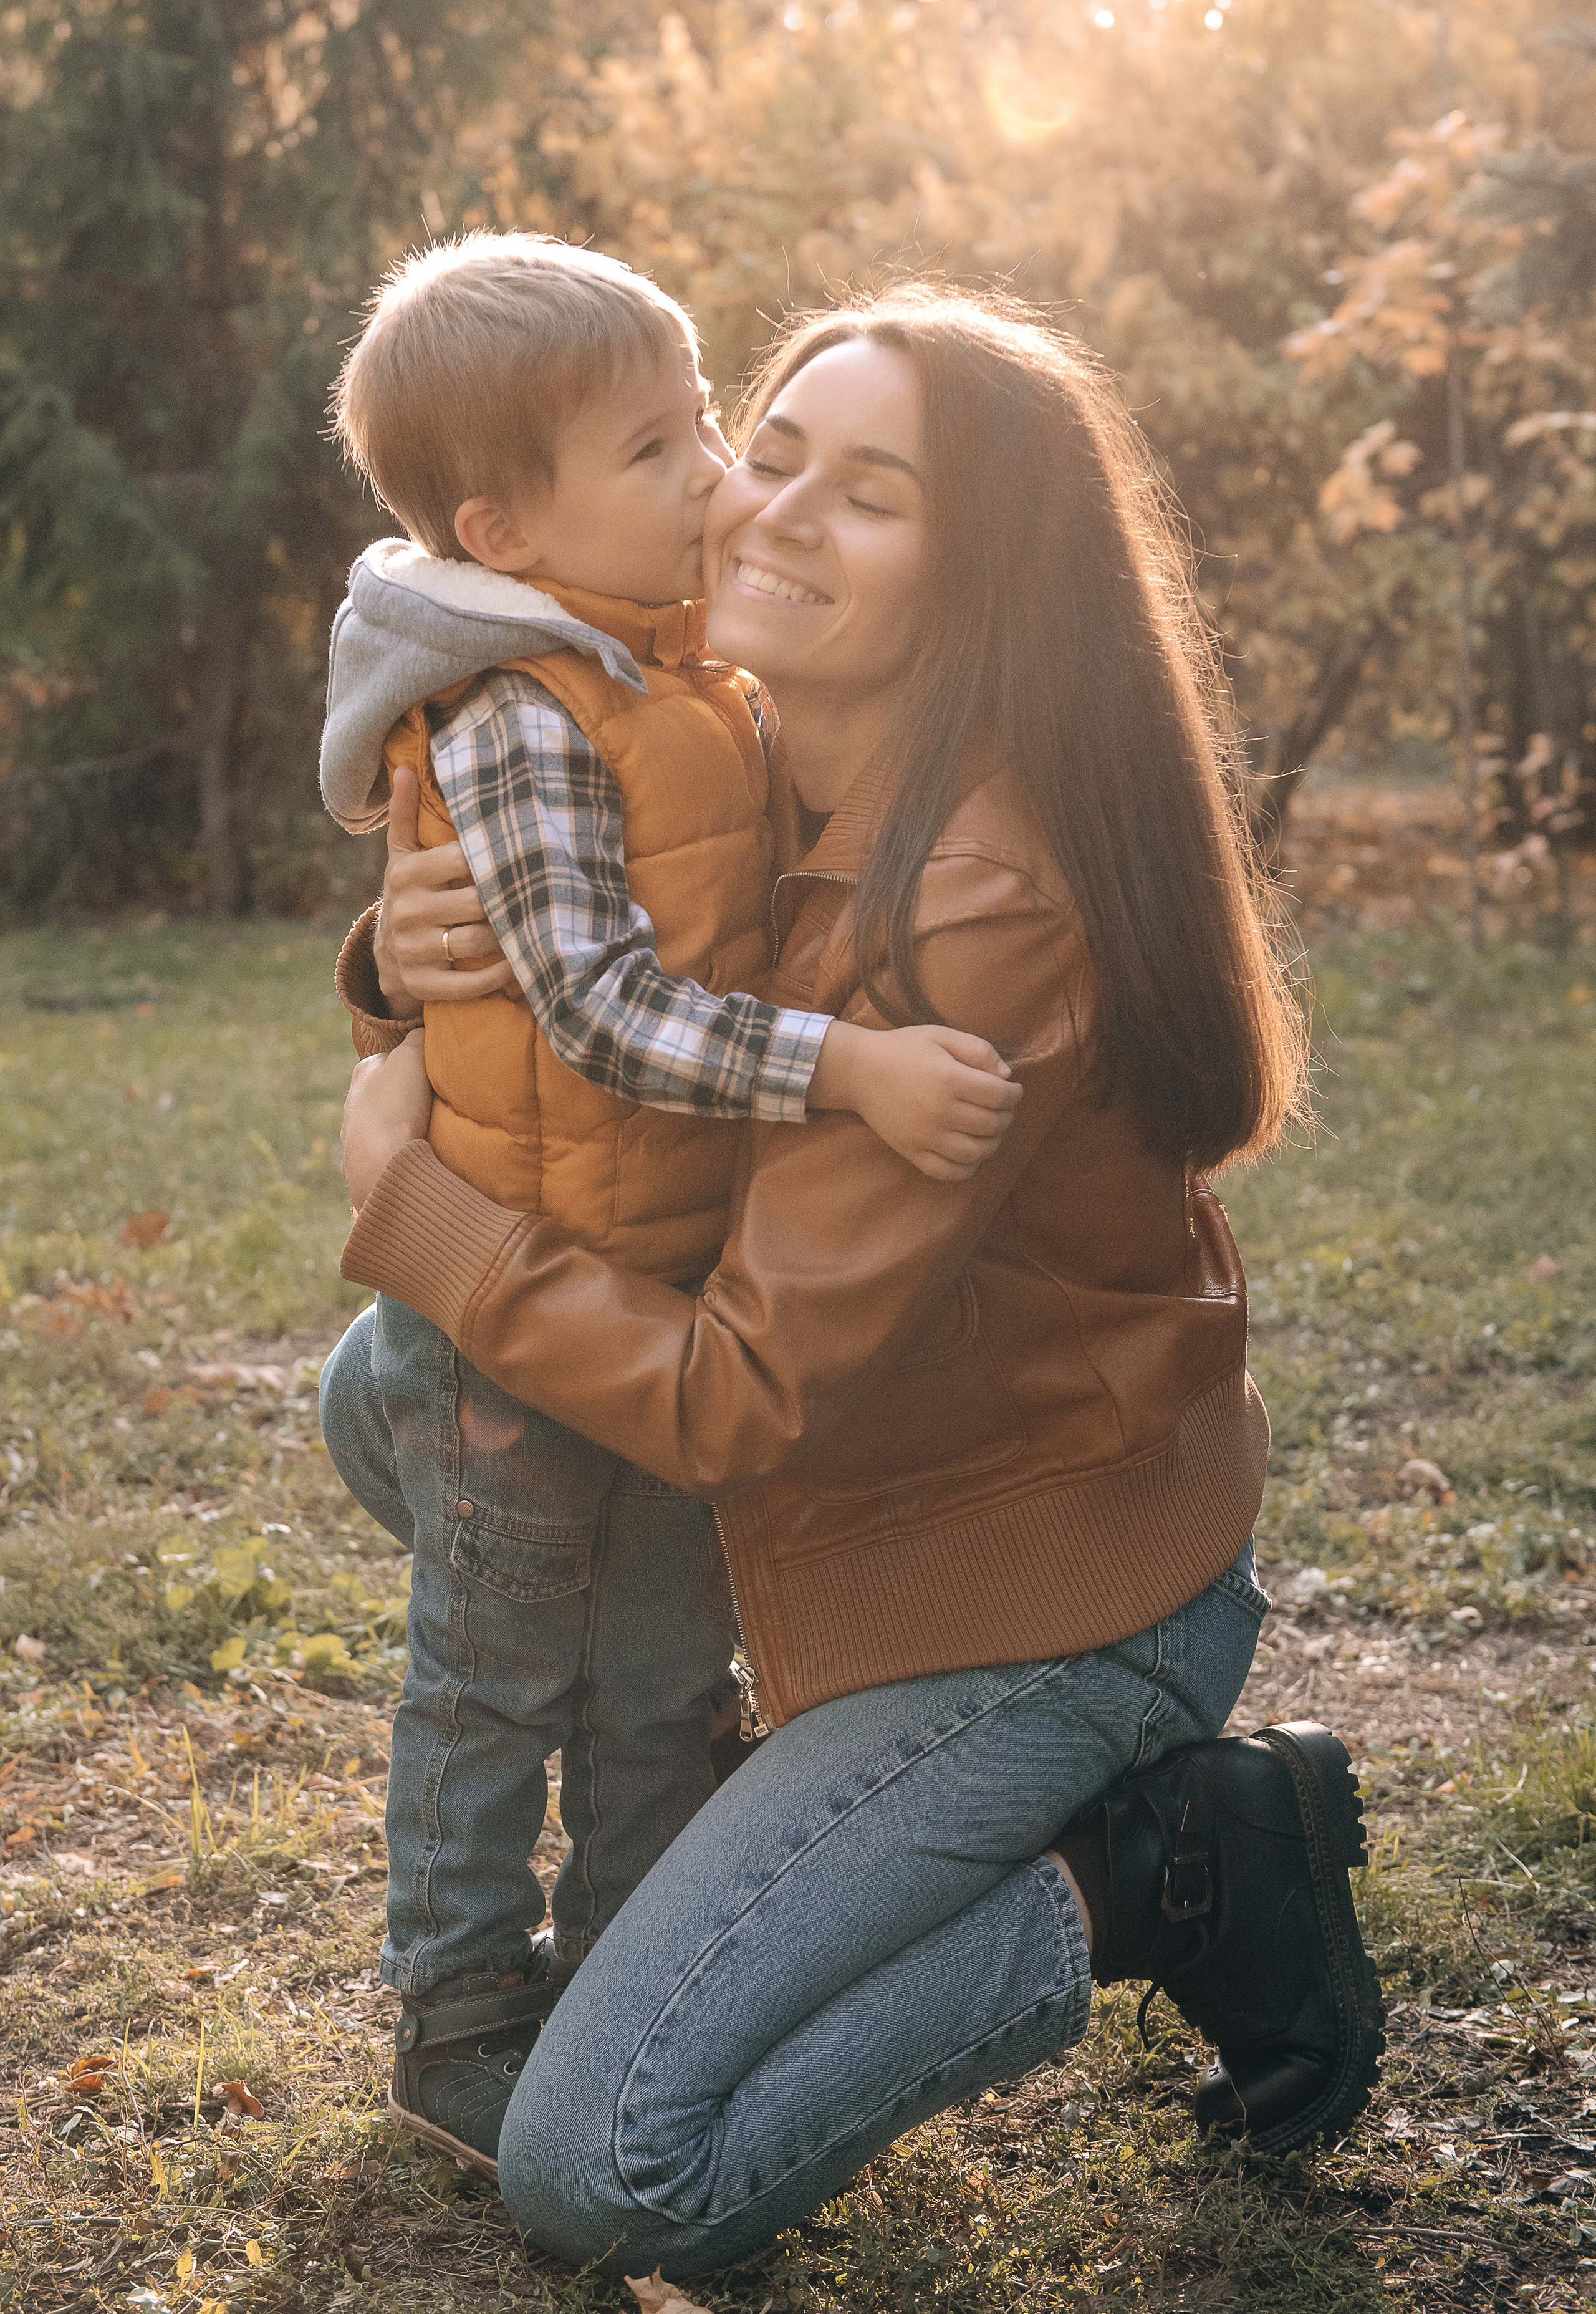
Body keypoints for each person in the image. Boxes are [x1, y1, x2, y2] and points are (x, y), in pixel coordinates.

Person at [338, 283, 1385, 2279]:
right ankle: (727, 1732)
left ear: (982, 579)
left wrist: (417, 1207)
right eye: (774, 447)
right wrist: (403, 957)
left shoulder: (978, 902)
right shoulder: (740, 748)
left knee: (610, 2166)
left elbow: (726, 1394)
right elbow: (608, 1030)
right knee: (384, 1396)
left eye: (872, 495)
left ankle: (1162, 1870)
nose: (769, 510)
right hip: (829, 1510)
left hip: (1026, 1598)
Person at [314, 234, 1022, 2175]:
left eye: (709, 421)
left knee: (655, 1679)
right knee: (494, 1678)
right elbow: (608, 1012)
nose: (716, 480)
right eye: (665, 448)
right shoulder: (527, 709)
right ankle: (458, 2011)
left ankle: (625, 1963)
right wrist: (856, 1067)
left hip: (651, 1301)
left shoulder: (672, 668)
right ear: (502, 523)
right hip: (525, 1314)